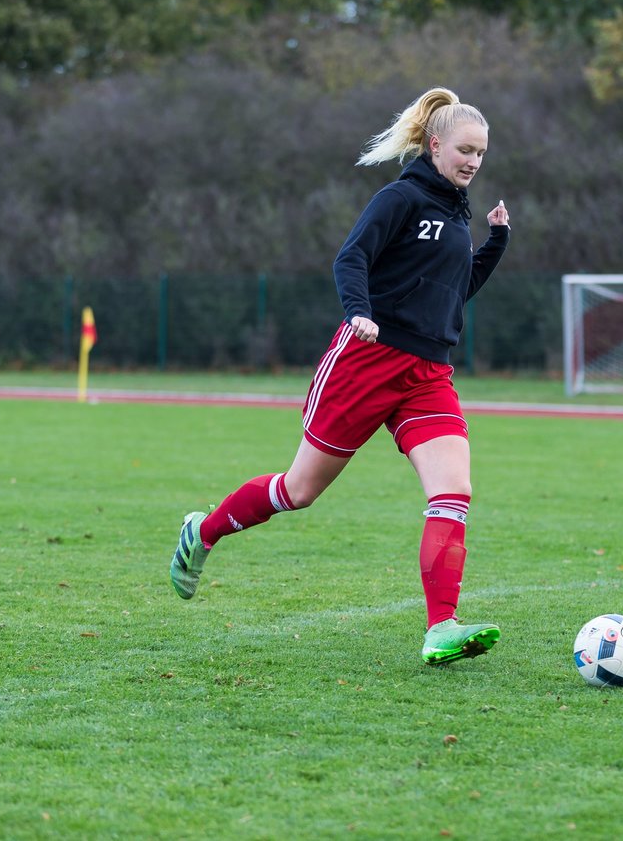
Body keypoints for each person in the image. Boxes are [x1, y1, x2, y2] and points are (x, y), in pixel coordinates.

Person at [171, 87, 511, 665]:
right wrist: (359, 311)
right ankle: (202, 533)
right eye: (465, 150)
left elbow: (455, 293)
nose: (474, 162)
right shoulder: (400, 197)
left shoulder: (459, 212)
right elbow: (349, 257)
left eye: (481, 153)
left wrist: (496, 243)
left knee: (453, 493)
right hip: (365, 362)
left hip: (428, 373)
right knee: (297, 491)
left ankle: (441, 628)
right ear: (434, 145)